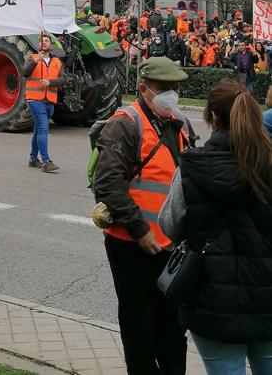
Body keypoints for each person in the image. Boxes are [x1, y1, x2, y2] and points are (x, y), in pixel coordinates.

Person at [159, 79, 272, 375]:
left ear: (212, 117)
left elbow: (169, 225)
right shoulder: (268, 163)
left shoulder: (192, 167)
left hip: (212, 301)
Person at [93, 56, 190, 375]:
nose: (172, 95)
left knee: (173, 328)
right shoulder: (126, 122)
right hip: (131, 245)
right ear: (143, 89)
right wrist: (140, 230)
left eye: (176, 89)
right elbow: (107, 183)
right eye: (165, 89)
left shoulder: (179, 123)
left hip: (171, 247)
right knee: (139, 327)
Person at [23, 33, 62, 172]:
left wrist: (50, 82)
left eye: (47, 41)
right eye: (42, 41)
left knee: (38, 130)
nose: (44, 42)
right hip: (35, 99)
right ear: (39, 45)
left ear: (51, 46)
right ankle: (46, 161)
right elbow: (24, 73)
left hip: (49, 101)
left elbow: (64, 80)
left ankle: (33, 159)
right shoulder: (32, 58)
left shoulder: (57, 62)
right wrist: (35, 60)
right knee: (43, 129)